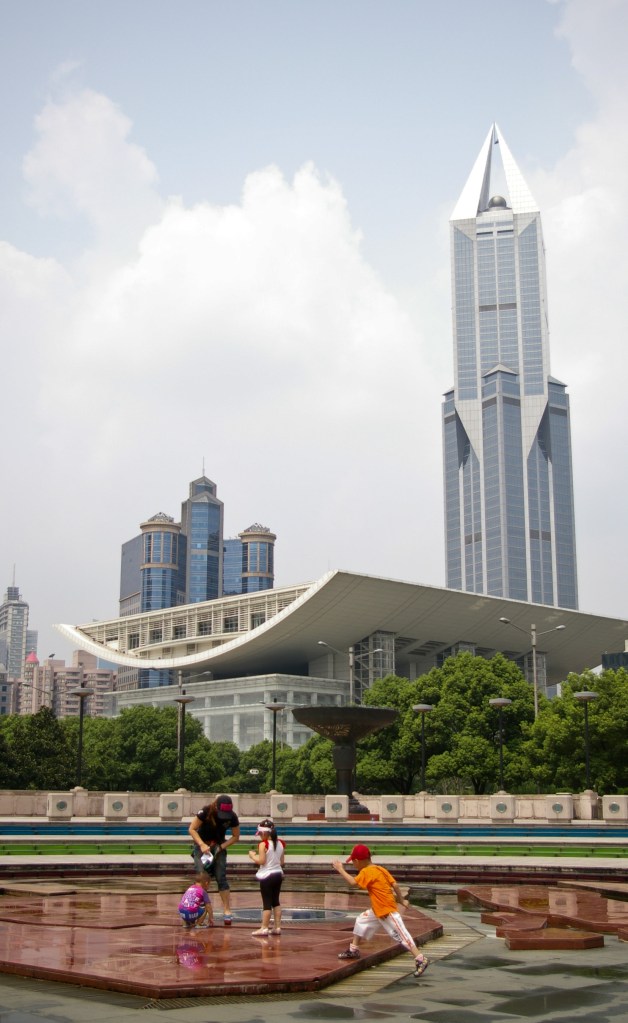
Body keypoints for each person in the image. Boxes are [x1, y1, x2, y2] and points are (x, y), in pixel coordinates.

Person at [332, 844, 429, 978]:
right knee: (361, 919)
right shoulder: (380, 869)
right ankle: (353, 950)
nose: (353, 864)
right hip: (377, 909)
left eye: (353, 862)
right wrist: (401, 900)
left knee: (402, 935)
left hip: (386, 911)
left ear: (358, 861)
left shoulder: (367, 872)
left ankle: (420, 958)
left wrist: (341, 870)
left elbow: (353, 883)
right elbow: (394, 884)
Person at [188, 794, 240, 925]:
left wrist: (221, 847)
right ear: (215, 806)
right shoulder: (205, 812)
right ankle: (199, 908)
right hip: (202, 846)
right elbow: (192, 829)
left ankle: (227, 910)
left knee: (221, 876)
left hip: (218, 847)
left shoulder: (232, 816)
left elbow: (235, 836)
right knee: (202, 877)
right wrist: (202, 845)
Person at [247, 817, 285, 937]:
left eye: (260, 834)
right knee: (276, 901)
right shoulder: (281, 843)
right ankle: (277, 927)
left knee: (267, 903)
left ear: (263, 833)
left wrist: (252, 856)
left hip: (267, 875)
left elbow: (262, 861)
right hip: (278, 874)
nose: (259, 836)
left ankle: (264, 927)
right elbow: (282, 862)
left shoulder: (263, 844)